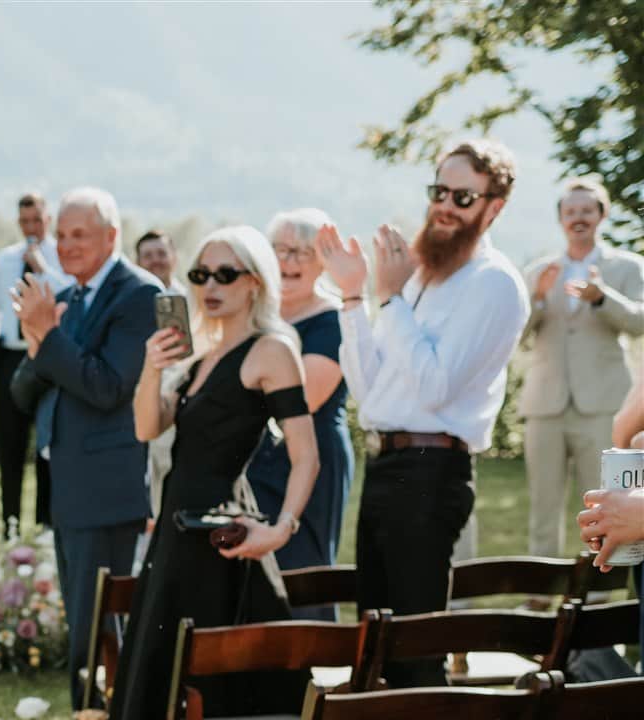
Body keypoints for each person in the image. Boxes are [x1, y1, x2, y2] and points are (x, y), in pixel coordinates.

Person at [103, 227, 319, 720]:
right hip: (178, 528)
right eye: (201, 275)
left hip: (221, 530)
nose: (210, 286)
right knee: (163, 651)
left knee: (210, 658)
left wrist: (279, 529)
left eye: (226, 274)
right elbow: (148, 426)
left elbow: (307, 456)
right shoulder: (201, 354)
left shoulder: (271, 349)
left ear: (255, 282)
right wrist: (152, 367)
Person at [319, 139, 530, 687]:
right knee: (376, 638)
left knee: (415, 645)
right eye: (439, 191)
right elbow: (370, 390)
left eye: (463, 196)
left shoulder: (495, 284)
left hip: (433, 474)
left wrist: (388, 301)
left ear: (494, 207)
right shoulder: (416, 275)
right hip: (385, 466)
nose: (445, 206)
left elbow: (434, 387)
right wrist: (352, 298)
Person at [10, 187, 162, 708]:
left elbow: (108, 385)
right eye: (62, 235)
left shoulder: (138, 294)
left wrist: (49, 338)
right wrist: (37, 336)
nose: (68, 246)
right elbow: (23, 392)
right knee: (83, 621)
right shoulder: (69, 298)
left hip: (108, 489)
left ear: (112, 236)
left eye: (81, 235)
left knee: (101, 625)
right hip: (69, 487)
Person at [521, 176, 644, 558]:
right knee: (543, 506)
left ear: (601, 215)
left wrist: (602, 298)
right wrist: (538, 299)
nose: (578, 217)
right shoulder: (540, 271)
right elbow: (518, 335)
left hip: (603, 404)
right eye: (570, 211)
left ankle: (600, 596)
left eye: (587, 210)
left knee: (605, 504)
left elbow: (640, 322)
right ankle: (541, 598)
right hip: (546, 404)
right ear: (560, 218)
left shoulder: (626, 266)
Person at [244, 209, 353, 589]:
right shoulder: (256, 315)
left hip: (309, 458)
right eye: (280, 249)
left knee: (301, 573)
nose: (288, 261)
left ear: (322, 262)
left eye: (302, 252)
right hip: (253, 460)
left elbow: (303, 398)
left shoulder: (332, 320)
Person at [0, 191, 68, 530]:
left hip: (47, 354)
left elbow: (69, 297)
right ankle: (10, 525)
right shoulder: (2, 261)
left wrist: (44, 270)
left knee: (46, 446)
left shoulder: (63, 257)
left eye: (37, 221)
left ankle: (45, 526)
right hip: (10, 356)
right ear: (18, 222)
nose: (31, 228)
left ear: (48, 220)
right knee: (9, 446)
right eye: (25, 221)